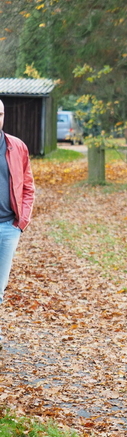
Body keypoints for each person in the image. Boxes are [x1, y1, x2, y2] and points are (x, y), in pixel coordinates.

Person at [0, 100, 35, 326]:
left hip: (8, 227)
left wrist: (21, 221)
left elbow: (28, 187)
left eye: (0, 113)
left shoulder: (17, 146)